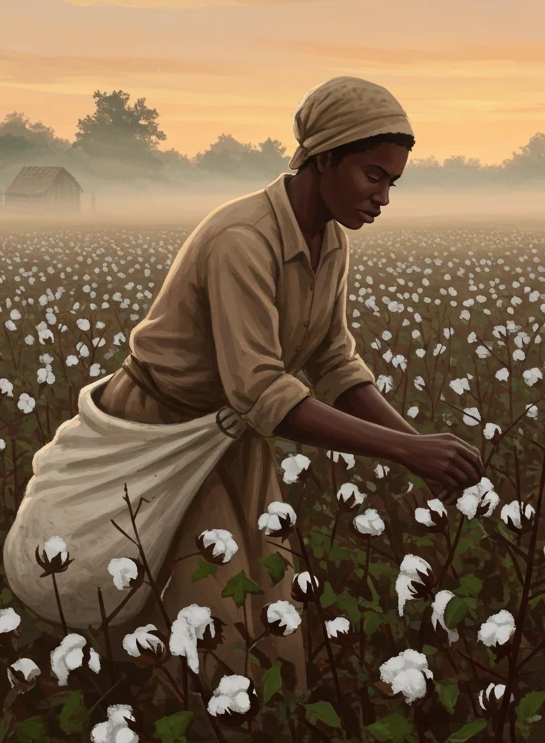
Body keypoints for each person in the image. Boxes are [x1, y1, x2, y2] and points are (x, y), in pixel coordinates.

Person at [95, 75, 486, 689]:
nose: (384, 197)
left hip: (231, 439)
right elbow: (259, 391)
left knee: (268, 599)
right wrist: (406, 451)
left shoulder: (330, 241)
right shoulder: (242, 238)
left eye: (393, 182)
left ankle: (258, 717)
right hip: (163, 431)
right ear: (323, 158)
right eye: (373, 176)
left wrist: (419, 448)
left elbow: (334, 362)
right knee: (211, 611)